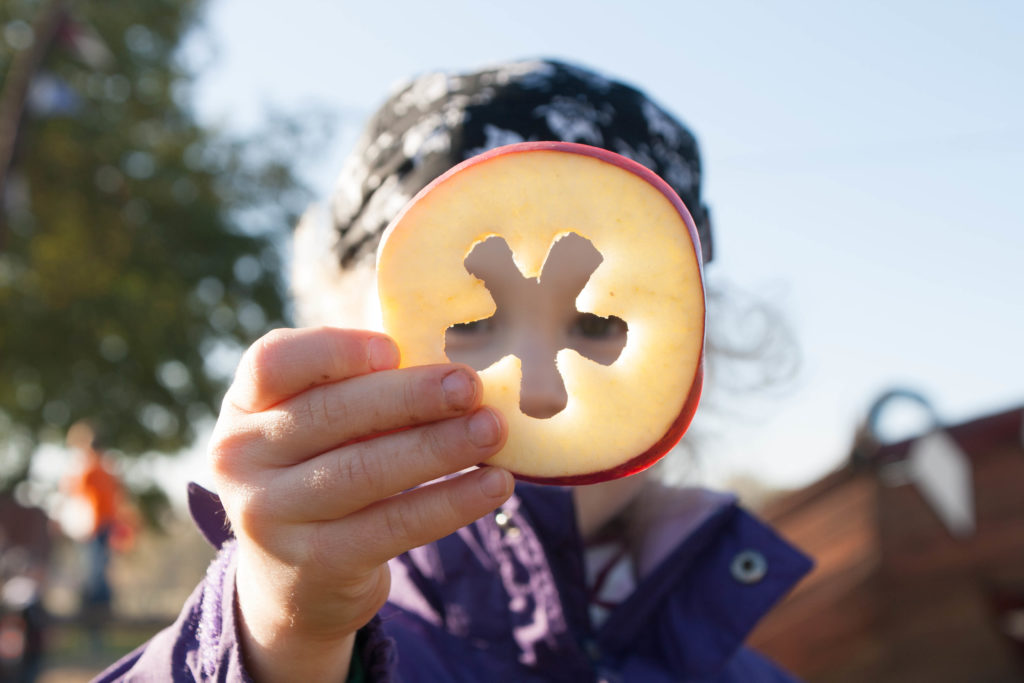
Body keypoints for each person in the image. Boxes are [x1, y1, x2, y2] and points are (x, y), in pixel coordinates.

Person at [97, 59, 812, 682]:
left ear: (691, 351)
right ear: (338, 343)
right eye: (471, 327)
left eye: (592, 322)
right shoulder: (297, 629)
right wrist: (280, 630)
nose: (532, 388)